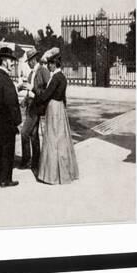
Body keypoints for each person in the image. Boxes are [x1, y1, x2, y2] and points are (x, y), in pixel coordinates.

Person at [34, 47, 79, 184]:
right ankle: (64, 172)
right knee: (61, 139)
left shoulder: (55, 78)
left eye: (50, 64)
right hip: (60, 109)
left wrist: (34, 93)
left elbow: (45, 96)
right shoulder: (62, 77)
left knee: (52, 139)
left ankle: (52, 175)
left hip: (53, 108)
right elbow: (63, 98)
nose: (48, 66)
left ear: (55, 64)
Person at [0, 47, 22, 188]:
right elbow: (11, 102)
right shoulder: (5, 79)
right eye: (10, 60)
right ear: (3, 61)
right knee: (7, 151)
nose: (13, 63)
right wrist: (17, 121)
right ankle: (5, 180)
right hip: (7, 120)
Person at [18, 48, 50, 173]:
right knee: (33, 135)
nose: (29, 63)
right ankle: (36, 162)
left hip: (37, 107)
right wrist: (25, 99)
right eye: (28, 61)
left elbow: (47, 91)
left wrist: (35, 92)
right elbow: (30, 91)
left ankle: (26, 160)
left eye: (30, 61)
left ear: (34, 59)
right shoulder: (31, 74)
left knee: (24, 132)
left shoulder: (43, 71)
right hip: (31, 106)